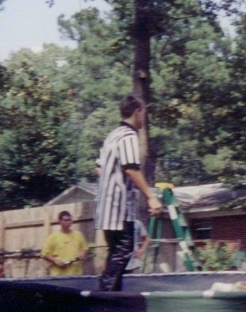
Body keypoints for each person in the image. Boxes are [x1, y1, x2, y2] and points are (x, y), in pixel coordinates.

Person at [96, 95, 163, 291]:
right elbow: (131, 168)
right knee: (123, 250)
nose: (143, 119)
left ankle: (112, 295)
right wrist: (151, 197)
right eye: (143, 114)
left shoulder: (112, 135)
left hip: (106, 206)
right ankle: (104, 295)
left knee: (115, 251)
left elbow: (99, 168)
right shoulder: (128, 135)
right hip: (119, 208)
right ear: (136, 112)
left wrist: (110, 181)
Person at [41, 211, 89, 276]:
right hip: (59, 275)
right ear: (60, 221)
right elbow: (44, 254)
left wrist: (82, 253)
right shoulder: (53, 237)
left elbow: (85, 249)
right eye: (66, 220)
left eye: (70, 220)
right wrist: (55, 260)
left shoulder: (78, 235)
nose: (68, 222)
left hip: (76, 274)